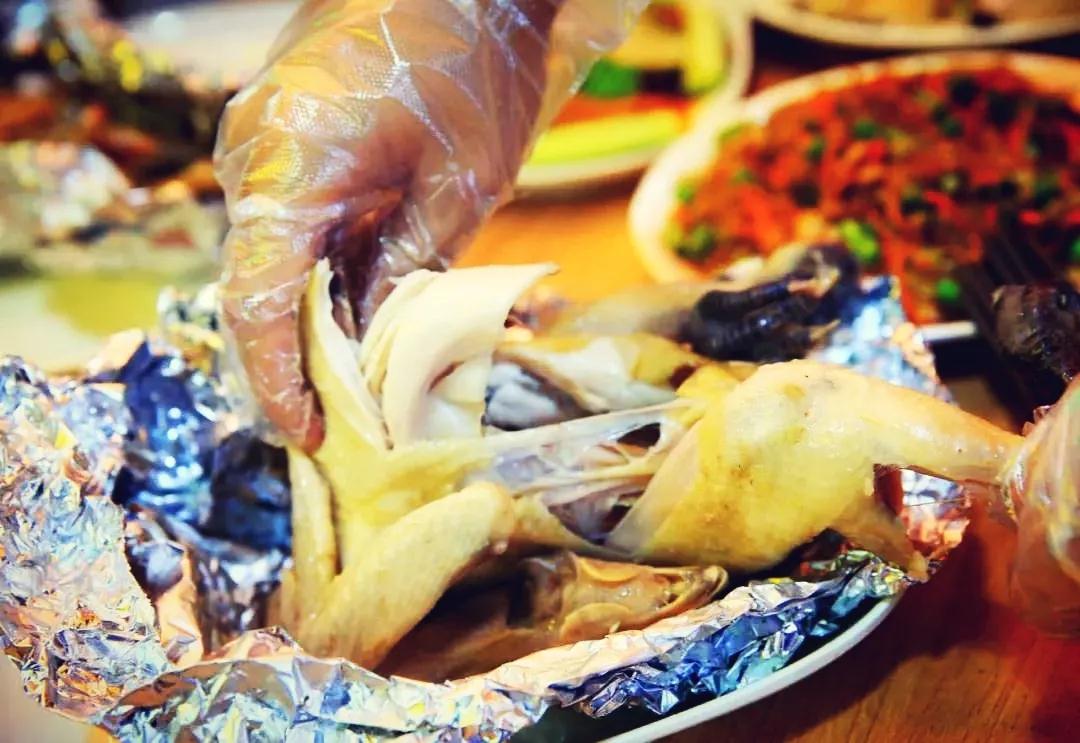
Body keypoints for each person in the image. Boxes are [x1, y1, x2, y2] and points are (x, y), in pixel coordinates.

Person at [213, 0, 1079, 634]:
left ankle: (1016, 467)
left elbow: (608, 358)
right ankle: (1015, 467)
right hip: (442, 482)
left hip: (564, 460)